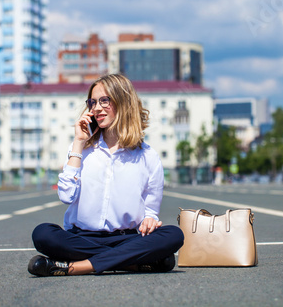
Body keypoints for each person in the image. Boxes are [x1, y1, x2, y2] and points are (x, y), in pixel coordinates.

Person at [28, 74, 184, 276]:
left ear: (123, 102)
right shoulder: (81, 149)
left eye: (104, 100)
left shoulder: (148, 156)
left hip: (126, 238)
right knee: (43, 234)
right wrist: (78, 143)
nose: (96, 108)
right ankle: (130, 263)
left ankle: (77, 267)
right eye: (92, 102)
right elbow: (66, 196)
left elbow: (151, 212)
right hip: (81, 239)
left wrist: (149, 220)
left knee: (173, 235)